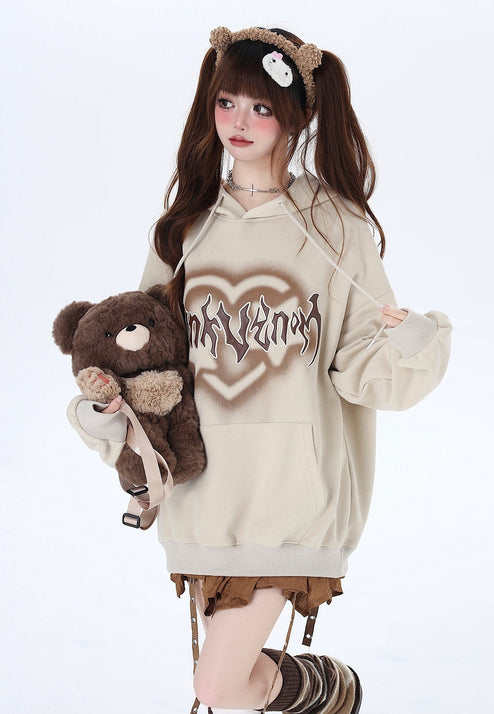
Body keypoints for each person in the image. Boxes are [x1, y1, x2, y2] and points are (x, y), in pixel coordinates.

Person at [67, 26, 452, 714]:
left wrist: (411, 340)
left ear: (295, 117)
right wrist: (105, 408)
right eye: (226, 103)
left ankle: (324, 688)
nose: (238, 122)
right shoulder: (183, 230)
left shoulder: (335, 226)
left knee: (214, 687)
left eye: (261, 107)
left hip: (293, 494)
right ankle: (313, 693)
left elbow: (360, 365)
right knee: (226, 691)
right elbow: (146, 360)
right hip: (204, 494)